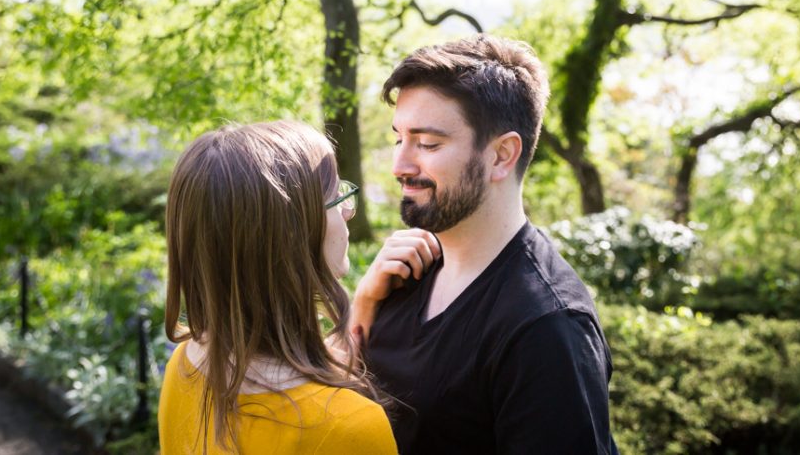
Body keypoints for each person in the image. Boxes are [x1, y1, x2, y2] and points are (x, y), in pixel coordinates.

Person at [351, 34, 616, 454]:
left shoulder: (547, 327)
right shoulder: (404, 273)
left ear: (501, 156)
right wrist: (363, 306)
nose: (399, 165)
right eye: (398, 138)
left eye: (428, 144)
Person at [158, 120, 396, 454]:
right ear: (289, 238)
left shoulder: (184, 366)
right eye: (334, 198)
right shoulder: (347, 426)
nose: (348, 210)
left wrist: (364, 305)